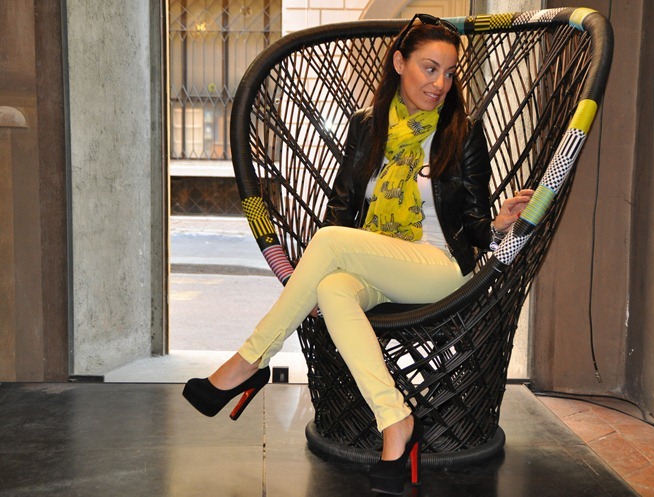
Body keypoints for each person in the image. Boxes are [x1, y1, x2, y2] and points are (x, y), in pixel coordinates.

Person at [183, 13, 533, 495]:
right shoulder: (367, 127)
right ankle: (396, 422)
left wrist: (498, 223)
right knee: (330, 287)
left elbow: (473, 226)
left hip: (439, 267)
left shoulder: (462, 132)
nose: (440, 84)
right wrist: (321, 269)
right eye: (430, 68)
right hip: (376, 261)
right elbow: (342, 206)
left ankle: (249, 362)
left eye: (450, 73)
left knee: (330, 243)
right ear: (399, 63)